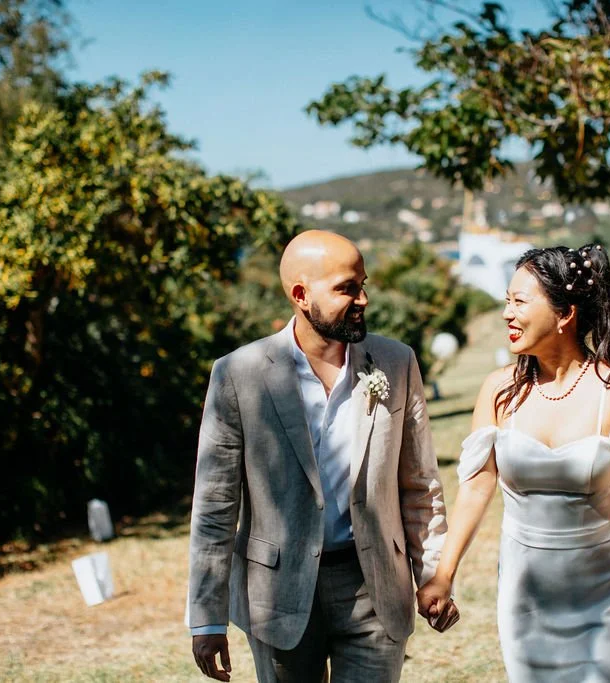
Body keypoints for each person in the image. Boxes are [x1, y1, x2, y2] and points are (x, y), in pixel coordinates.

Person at [187, 230, 459, 682]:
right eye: (347, 288)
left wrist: (433, 573)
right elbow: (215, 504)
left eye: (363, 284)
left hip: (373, 585)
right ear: (301, 295)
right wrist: (206, 617)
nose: (363, 299)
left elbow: (419, 484)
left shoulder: (396, 361)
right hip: (277, 594)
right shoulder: (238, 375)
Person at [417, 244, 610, 682]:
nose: (506, 314)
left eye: (519, 301)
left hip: (606, 596)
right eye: (505, 301)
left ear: (565, 314)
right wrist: (444, 575)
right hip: (525, 598)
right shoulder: (499, 391)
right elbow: (477, 488)